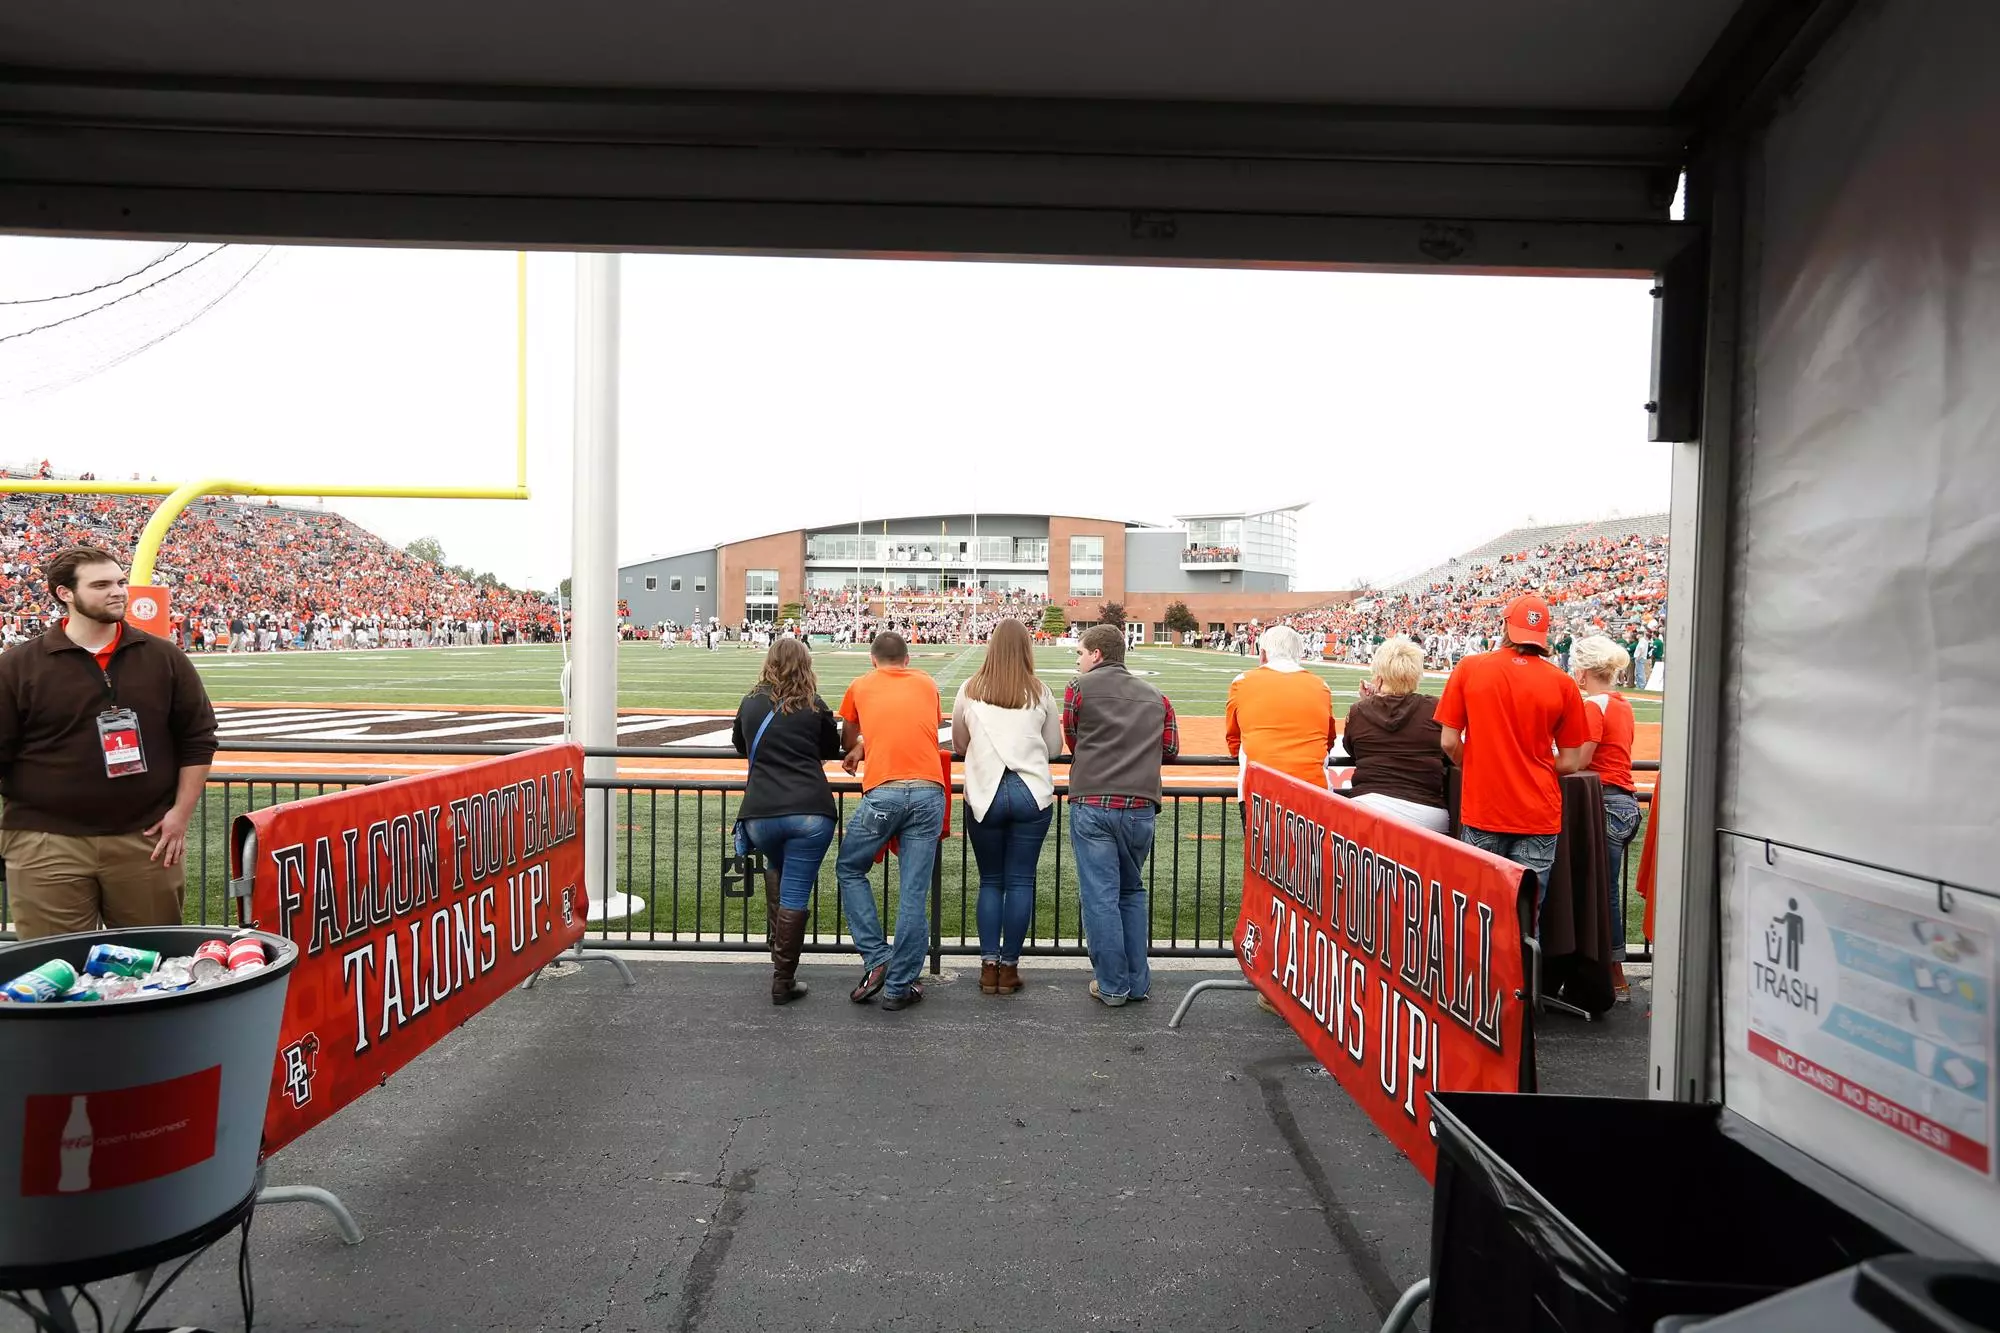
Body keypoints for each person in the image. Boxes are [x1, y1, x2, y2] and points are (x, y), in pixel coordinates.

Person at [0, 546, 218, 939]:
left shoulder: (164, 657)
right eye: (101, 585)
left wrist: (180, 816)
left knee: (152, 960)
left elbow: (198, 738)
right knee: (54, 963)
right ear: (65, 593)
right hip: (46, 841)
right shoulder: (18, 666)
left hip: (145, 837)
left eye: (120, 582)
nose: (118, 591)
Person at [1434, 594, 1591, 917]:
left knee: (1479, 917)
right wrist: (1533, 764)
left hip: (1485, 808)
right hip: (1538, 813)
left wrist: (1476, 762)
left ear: (1505, 626)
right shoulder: (1563, 683)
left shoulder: (1471, 668)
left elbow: (1449, 742)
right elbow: (1571, 761)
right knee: (1526, 918)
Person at [1064, 624, 1178, 1007]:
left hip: (1093, 800)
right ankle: (1137, 982)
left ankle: (1113, 984)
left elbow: (1073, 737)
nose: (1078, 660)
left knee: (1100, 895)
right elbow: (1171, 748)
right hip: (1140, 805)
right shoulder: (1157, 696)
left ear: (1096, 654)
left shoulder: (1079, 688)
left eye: (1080, 653)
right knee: (1131, 891)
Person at [834, 631, 946, 1011]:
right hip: (929, 789)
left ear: (872, 659)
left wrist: (860, 746)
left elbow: (848, 738)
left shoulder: (860, 685)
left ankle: (877, 955)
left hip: (884, 789)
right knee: (913, 893)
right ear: (908, 659)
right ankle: (899, 986)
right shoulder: (926, 683)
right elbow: (919, 727)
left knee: (850, 868)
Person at [951, 618, 1062, 997]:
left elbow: (959, 743)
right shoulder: (1039, 691)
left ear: (991, 647)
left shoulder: (970, 689)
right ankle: (1010, 968)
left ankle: (988, 968)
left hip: (985, 792)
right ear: (1027, 649)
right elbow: (1054, 749)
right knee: (1020, 881)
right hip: (1031, 792)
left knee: (991, 881)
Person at [732, 637, 844, 1005]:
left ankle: (777, 952)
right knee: (794, 891)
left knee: (776, 869)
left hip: (760, 812)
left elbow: (740, 744)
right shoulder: (814, 704)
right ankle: (783, 979)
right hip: (810, 810)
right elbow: (830, 749)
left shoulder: (750, 702)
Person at [1570, 635, 1640, 996]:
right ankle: (1612, 971)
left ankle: (1612, 973)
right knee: (1607, 889)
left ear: (1583, 672)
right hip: (1624, 803)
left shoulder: (1593, 705)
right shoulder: (1620, 704)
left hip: (1607, 802)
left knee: (1601, 891)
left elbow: (1579, 760)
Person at [1342, 635, 1449, 834]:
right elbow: (1447, 748)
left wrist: (1367, 704)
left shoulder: (1359, 711)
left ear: (1379, 676)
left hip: (1369, 805)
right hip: (1427, 811)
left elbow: (1352, 749)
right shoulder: (1434, 707)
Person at [1224, 624, 1336, 808]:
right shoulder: (1321, 685)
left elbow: (1233, 739)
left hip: (1260, 789)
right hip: (1314, 788)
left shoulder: (1242, 682)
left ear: (1263, 654)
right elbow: (1329, 739)